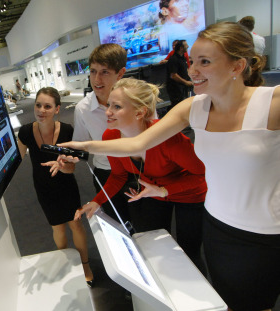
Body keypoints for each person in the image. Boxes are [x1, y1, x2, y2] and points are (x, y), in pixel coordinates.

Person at [59, 22, 280, 311]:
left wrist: (164, 189)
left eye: (205, 62)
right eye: (192, 61)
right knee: (228, 298)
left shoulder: (272, 103)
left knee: (256, 302)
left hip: (265, 232)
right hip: (218, 225)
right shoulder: (194, 108)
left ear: (237, 66)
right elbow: (138, 144)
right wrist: (82, 147)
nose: (192, 71)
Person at [73, 77, 207, 271]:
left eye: (116, 106)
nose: (108, 112)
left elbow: (202, 175)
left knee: (189, 251)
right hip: (154, 192)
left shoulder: (168, 139)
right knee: (154, 245)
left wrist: (164, 190)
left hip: (189, 193)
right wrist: (97, 200)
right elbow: (118, 176)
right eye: (109, 105)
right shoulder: (110, 137)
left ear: (140, 112)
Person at [17, 87, 94, 286]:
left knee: (75, 224)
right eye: (38, 105)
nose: (41, 110)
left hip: (66, 185)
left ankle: (85, 264)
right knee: (57, 227)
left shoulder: (67, 131)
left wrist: (62, 166)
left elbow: (72, 169)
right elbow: (16, 159)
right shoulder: (25, 132)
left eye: (47, 106)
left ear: (57, 109)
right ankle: (65, 263)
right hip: (43, 188)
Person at [72, 43, 131, 223]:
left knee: (147, 227)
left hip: (139, 171)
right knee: (119, 225)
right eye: (93, 71)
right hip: (106, 173)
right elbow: (80, 147)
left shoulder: (137, 100)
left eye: (104, 72)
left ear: (120, 73)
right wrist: (67, 158)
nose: (97, 79)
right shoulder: (83, 108)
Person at [165, 40, 192, 112]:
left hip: (182, 87)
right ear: (181, 48)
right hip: (175, 89)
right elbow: (173, 75)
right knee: (177, 107)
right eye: (186, 45)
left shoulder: (183, 58)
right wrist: (186, 82)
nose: (188, 46)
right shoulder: (173, 59)